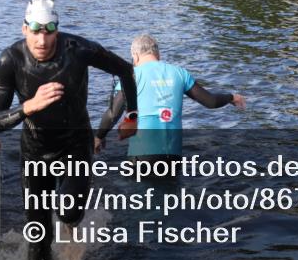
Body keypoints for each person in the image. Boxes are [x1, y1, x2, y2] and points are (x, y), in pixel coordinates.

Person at [0, 0, 139, 260]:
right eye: (35, 31)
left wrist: (132, 116)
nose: (42, 41)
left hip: (75, 146)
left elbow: (126, 70)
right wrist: (28, 107)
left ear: (57, 28)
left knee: (68, 211)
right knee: (38, 236)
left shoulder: (78, 49)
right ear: (24, 29)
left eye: (49, 32)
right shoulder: (10, 59)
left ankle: (70, 232)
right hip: (35, 151)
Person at [94, 33, 245, 163]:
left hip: (142, 155)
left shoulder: (131, 75)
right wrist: (231, 97)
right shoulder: (180, 73)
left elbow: (113, 113)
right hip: (173, 154)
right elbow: (211, 102)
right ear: (157, 54)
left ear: (135, 56)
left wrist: (99, 137)